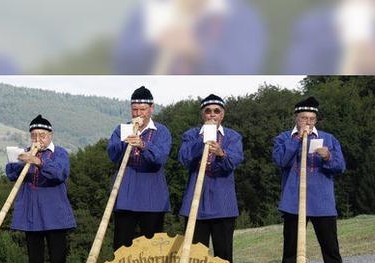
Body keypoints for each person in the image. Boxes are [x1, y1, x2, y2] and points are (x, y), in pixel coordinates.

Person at [272, 97, 351, 263]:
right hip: (293, 202)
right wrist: (297, 139)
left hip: (322, 202)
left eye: (312, 118)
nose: (308, 122)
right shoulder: (283, 139)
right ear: (296, 119)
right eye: (304, 118)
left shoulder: (328, 138)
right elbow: (280, 161)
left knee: (331, 249)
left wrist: (327, 157)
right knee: (291, 251)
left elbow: (340, 166)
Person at [6, 115, 75, 263]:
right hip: (32, 215)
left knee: (57, 262)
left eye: (42, 135)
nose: (38, 139)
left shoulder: (59, 153)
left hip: (56, 216)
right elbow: (10, 173)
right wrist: (23, 160)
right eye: (34, 135)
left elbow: (60, 174)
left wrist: (37, 160)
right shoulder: (23, 153)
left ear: (50, 135)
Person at [178, 94, 243, 263]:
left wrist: (221, 153)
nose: (212, 115)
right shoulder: (191, 135)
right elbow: (183, 159)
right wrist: (203, 140)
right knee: (195, 256)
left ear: (222, 115)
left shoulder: (233, 136)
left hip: (223, 204)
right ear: (202, 114)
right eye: (208, 111)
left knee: (223, 255)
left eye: (216, 111)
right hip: (196, 205)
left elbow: (234, 162)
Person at [112, 0, 267, 74]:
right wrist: (154, 45)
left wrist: (197, 51)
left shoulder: (241, 16)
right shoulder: (150, 10)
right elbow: (121, 64)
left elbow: (243, 70)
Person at [107, 86, 172, 250]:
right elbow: (112, 155)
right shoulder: (122, 129)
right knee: (121, 249)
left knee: (153, 250)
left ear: (151, 108)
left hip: (153, 199)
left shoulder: (162, 131)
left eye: (142, 109)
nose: (138, 114)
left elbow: (160, 158)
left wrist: (143, 145)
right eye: (134, 109)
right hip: (125, 198)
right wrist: (125, 141)